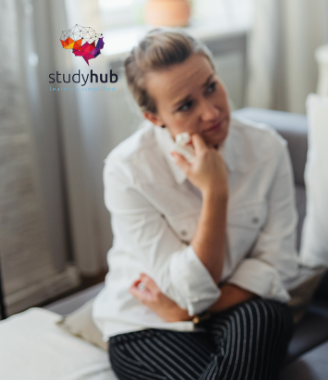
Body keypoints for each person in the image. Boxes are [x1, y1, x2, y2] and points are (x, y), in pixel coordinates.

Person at [92, 28, 299, 380]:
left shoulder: (267, 149)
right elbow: (188, 290)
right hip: (149, 322)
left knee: (268, 316)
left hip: (237, 305)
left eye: (211, 86)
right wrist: (215, 193)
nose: (211, 112)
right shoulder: (127, 171)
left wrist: (191, 313)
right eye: (186, 106)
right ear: (155, 118)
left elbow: (280, 264)